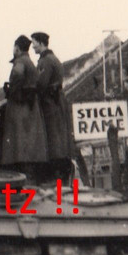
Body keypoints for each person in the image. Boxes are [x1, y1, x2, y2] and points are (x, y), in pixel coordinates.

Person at [1, 35, 48, 181]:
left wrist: (11, 91)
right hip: (30, 105)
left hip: (20, 106)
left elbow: (17, 76)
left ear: (17, 47)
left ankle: (21, 177)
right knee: (28, 141)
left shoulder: (20, 62)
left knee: (19, 142)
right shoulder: (30, 62)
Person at [31, 31, 74, 183]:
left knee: (52, 136)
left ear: (40, 43)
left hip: (50, 103)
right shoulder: (54, 59)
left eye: (34, 43)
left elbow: (41, 84)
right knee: (60, 136)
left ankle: (56, 171)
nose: (33, 46)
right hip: (57, 101)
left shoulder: (46, 61)